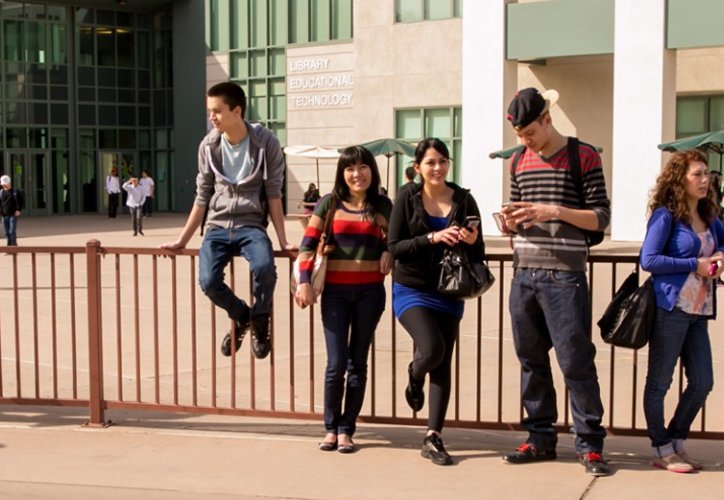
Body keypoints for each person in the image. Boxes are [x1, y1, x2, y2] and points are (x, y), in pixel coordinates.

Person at [497, 88, 612, 476]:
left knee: (575, 361)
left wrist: (555, 211)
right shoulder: (518, 160)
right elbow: (519, 214)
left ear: (547, 119)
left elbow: (600, 217)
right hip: (523, 273)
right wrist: (510, 221)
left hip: (565, 274)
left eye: (529, 132)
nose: (525, 141)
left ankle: (590, 444)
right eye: (519, 135)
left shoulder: (584, 155)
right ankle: (539, 437)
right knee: (530, 360)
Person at [160, 82, 294, 360]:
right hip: (217, 226)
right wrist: (182, 240)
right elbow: (202, 196)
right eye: (209, 111)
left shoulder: (265, 142)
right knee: (208, 281)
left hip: (251, 225)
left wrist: (283, 240)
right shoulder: (209, 146)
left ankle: (261, 322)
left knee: (264, 268)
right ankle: (243, 316)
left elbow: (273, 193)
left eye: (217, 111)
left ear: (237, 111)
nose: (212, 117)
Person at [638, 150, 724, 473]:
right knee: (659, 383)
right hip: (671, 308)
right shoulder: (666, 215)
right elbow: (649, 259)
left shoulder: (708, 214)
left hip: (699, 311)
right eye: (697, 174)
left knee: (702, 381)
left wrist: (721, 256)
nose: (705, 180)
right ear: (680, 179)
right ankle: (662, 448)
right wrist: (695, 263)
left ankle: (677, 440)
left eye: (706, 173)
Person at [389, 138, 482, 466]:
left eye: (443, 161)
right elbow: (394, 247)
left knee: (442, 364)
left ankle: (433, 436)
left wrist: (471, 240)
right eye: (430, 162)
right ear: (418, 167)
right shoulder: (406, 197)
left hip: (449, 290)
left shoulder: (464, 199)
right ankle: (415, 374)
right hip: (411, 289)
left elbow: (478, 252)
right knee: (432, 350)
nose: (437, 167)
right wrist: (432, 238)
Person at [294, 146, 392, 454]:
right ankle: (330, 428)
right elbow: (307, 245)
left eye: (363, 167)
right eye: (350, 168)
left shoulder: (383, 205)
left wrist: (389, 250)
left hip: (370, 294)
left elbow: (397, 239)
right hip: (335, 294)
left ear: (372, 171)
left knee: (357, 363)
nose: (357, 174)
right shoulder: (329, 203)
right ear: (342, 173)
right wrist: (304, 281)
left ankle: (347, 429)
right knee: (336, 364)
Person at [0, 175, 23, 246]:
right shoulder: (0, 192)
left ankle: (14, 245)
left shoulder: (15, 192)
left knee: (12, 231)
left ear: (9, 183)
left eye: (5, 184)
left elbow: (21, 201)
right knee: (7, 232)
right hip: (4, 215)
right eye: (3, 184)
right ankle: (9, 245)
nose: (4, 186)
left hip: (13, 214)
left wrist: (18, 210)